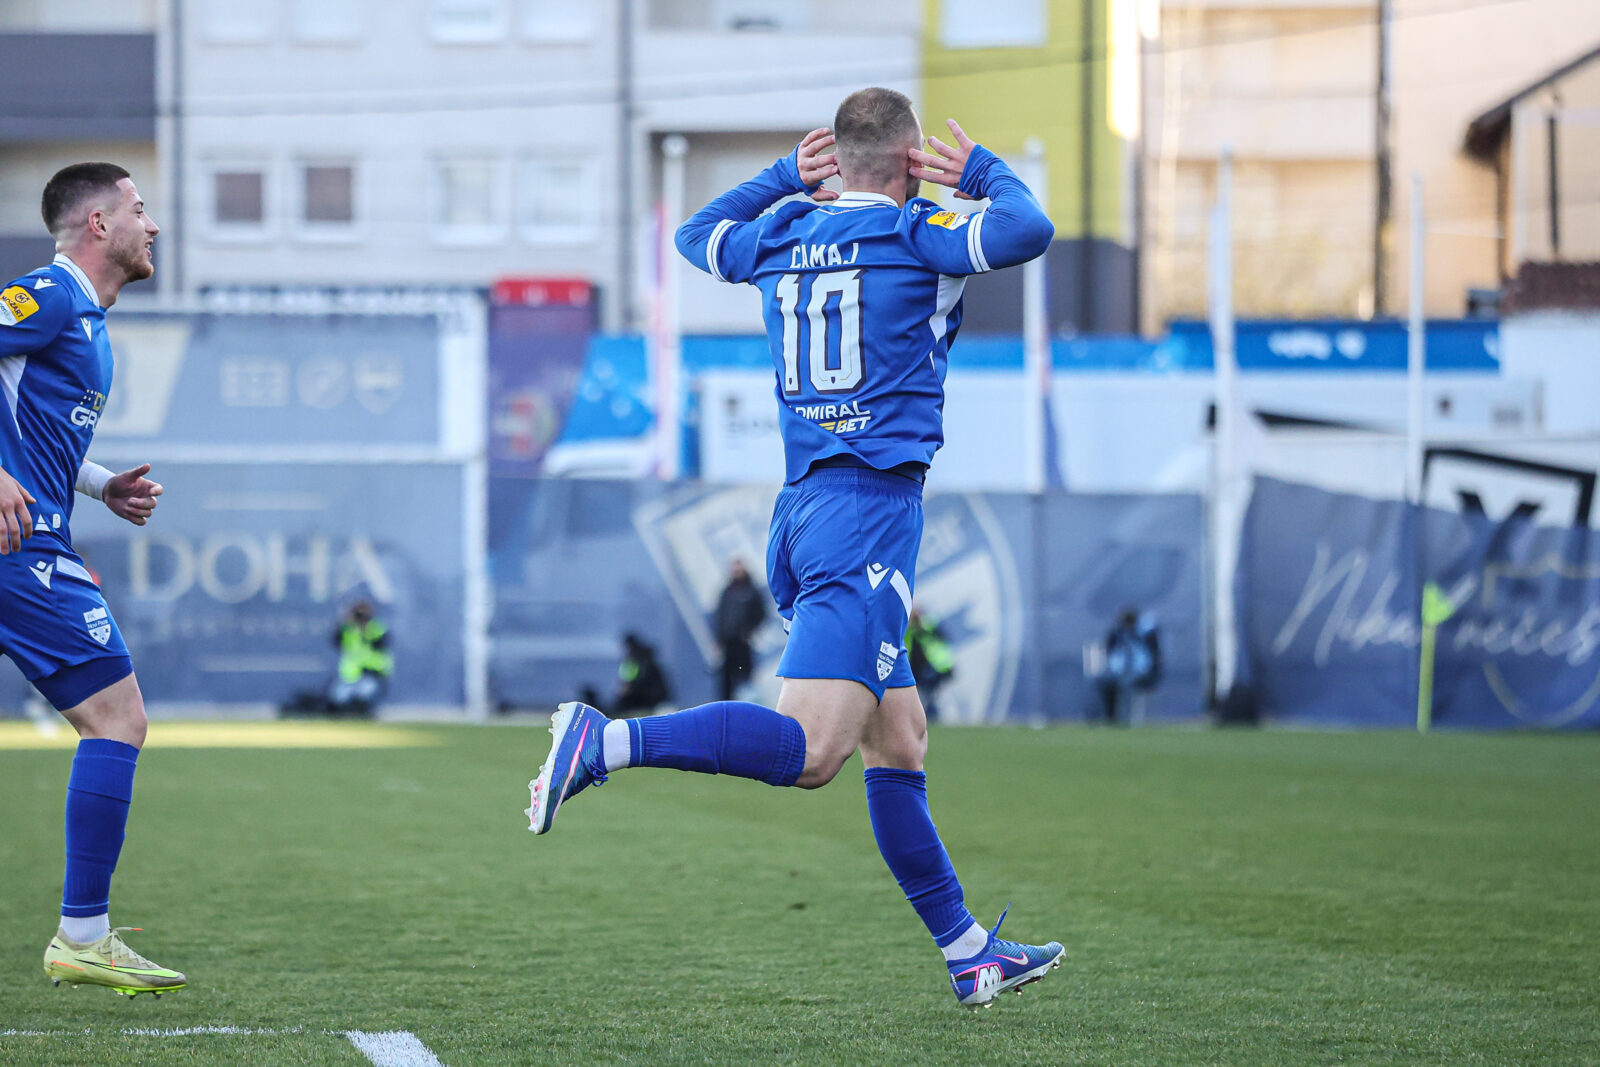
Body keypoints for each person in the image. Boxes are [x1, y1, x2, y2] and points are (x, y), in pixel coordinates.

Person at [527, 88, 1063, 1008]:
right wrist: (979, 172)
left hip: (809, 503)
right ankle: (605, 740)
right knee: (817, 753)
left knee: (899, 740)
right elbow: (1028, 229)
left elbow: (698, 234)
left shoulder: (784, 234)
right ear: (905, 164)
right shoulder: (919, 234)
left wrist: (783, 177)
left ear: (834, 161)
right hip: (864, 513)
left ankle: (969, 951)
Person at [0, 163, 185, 995]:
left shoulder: (88, 321)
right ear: (99, 223)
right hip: (21, 547)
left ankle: (85, 933)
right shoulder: (51, 294)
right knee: (118, 718)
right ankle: (83, 933)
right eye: (141, 210)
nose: (155, 225)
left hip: (36, 530)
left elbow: (34, 428)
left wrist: (99, 481)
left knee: (116, 719)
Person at [327, 600, 393, 717]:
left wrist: (364, 628)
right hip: (349, 678)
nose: (360, 618)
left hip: (372, 675)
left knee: (364, 697)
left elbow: (380, 643)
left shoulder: (376, 629)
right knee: (338, 699)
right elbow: (336, 640)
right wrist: (344, 621)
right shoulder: (348, 630)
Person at [1095, 607, 1161, 725]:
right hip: (1119, 672)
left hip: (1140, 672)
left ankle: (1129, 720)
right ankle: (1111, 718)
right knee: (1106, 684)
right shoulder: (1118, 634)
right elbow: (1110, 651)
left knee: (1128, 686)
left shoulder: (1145, 634)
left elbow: (1153, 656)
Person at [713, 558, 767, 700]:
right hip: (728, 645)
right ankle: (726, 707)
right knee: (726, 680)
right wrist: (719, 640)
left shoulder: (751, 591)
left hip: (743, 644)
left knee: (745, 676)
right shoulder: (726, 592)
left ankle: (748, 706)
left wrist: (748, 631)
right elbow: (721, 617)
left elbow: (761, 614)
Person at [904, 607, 955, 722]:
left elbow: (943, 637)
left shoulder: (930, 626)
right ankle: (928, 715)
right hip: (916, 668)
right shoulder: (909, 630)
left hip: (936, 667)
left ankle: (932, 715)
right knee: (923, 694)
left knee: (930, 693)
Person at [611, 632, 670, 717]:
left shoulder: (635, 663)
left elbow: (629, 686)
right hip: (655, 703)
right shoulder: (646, 660)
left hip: (649, 705)